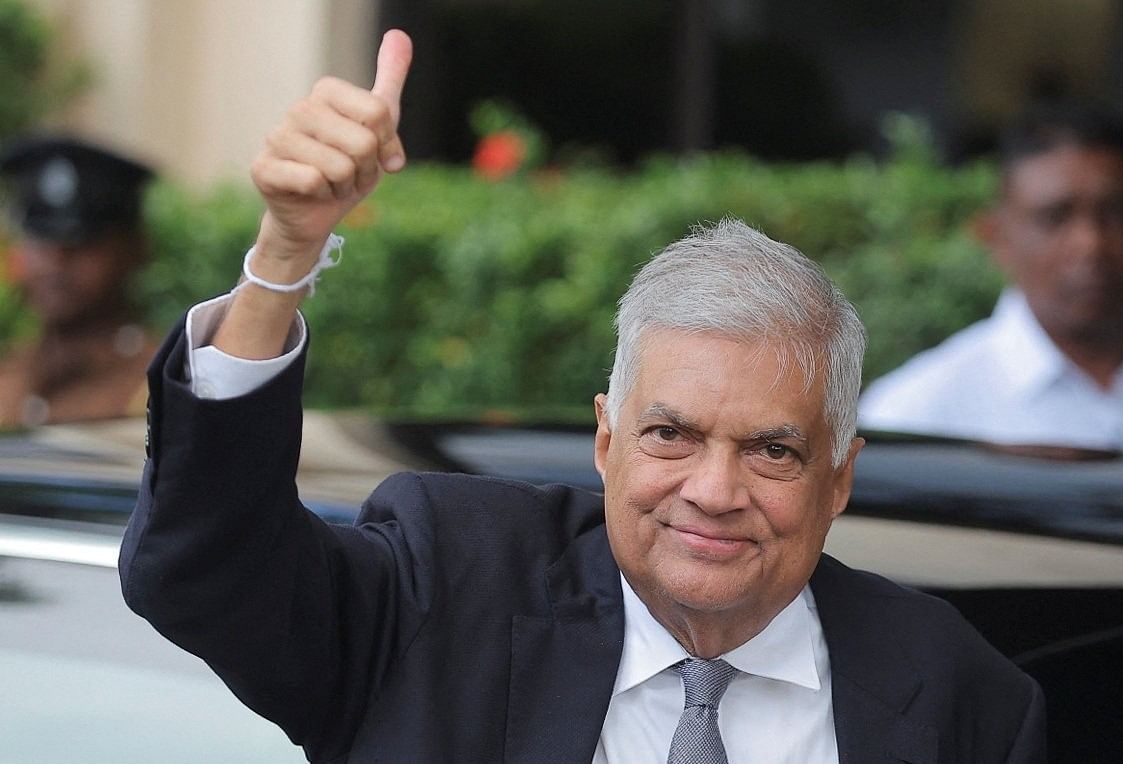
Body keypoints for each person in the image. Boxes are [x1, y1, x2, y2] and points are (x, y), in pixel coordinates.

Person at [119, 30, 1044, 763]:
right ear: (606, 441)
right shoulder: (446, 595)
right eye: (670, 434)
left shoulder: (958, 694)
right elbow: (205, 575)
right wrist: (285, 254)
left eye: (773, 450)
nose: (715, 491)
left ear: (839, 477)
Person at [859, 103, 1123, 469]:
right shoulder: (915, 413)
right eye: (1055, 217)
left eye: (1116, 213)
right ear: (996, 237)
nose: (1091, 244)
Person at [0, 137, 158, 428]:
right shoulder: (11, 376)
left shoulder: (158, 387)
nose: (55, 261)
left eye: (83, 243)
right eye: (41, 240)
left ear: (135, 250)